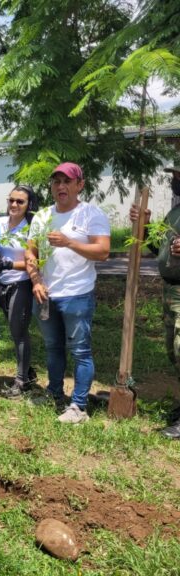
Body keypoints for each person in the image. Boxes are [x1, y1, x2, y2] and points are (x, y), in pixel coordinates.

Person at [26, 162, 110, 424]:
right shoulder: (41, 217)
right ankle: (54, 394)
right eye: (56, 182)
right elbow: (31, 252)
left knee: (80, 351)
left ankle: (79, 406)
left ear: (79, 185)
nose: (61, 186)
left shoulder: (91, 215)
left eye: (67, 181)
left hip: (78, 294)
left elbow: (103, 251)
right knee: (53, 348)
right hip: (46, 294)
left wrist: (69, 242)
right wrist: (36, 280)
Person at [129, 168, 180, 439]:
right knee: (174, 352)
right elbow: (156, 248)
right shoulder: (175, 213)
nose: (175, 181)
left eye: (178, 176)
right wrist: (146, 226)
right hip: (170, 292)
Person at [0, 185, 38, 397]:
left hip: (21, 282)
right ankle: (28, 371)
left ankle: (21, 380)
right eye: (11, 200)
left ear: (29, 205)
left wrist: (9, 265)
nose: (14, 205)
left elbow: (36, 261)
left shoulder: (31, 229)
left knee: (18, 331)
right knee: (13, 327)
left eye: (20, 201)